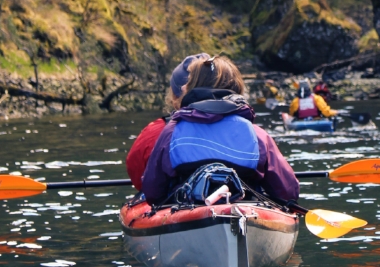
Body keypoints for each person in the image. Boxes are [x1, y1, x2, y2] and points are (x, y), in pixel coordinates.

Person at [141, 55, 300, 204]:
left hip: (187, 209)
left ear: (191, 87)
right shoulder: (257, 135)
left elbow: (152, 192)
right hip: (245, 208)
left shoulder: (171, 132)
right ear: (237, 88)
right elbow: (288, 193)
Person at [125, 53, 208, 191]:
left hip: (174, 198)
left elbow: (138, 175)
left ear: (175, 96)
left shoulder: (156, 132)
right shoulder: (243, 127)